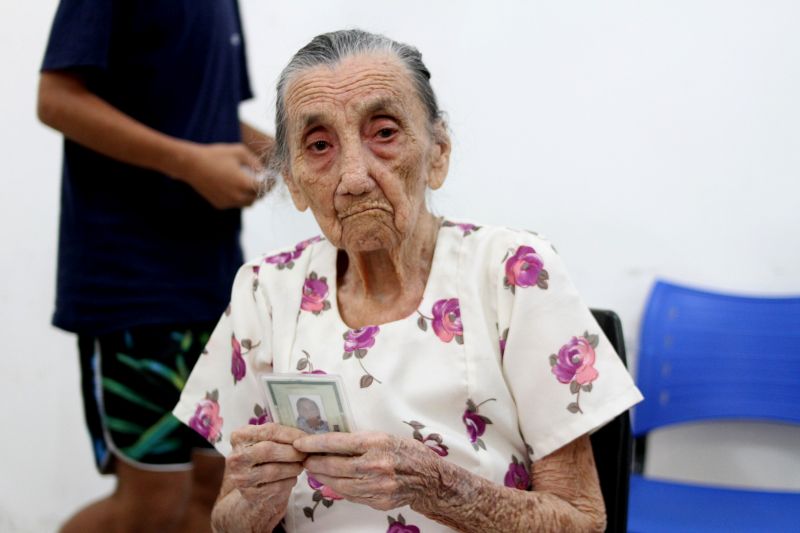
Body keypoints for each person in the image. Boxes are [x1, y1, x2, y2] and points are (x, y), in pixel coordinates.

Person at [173, 30, 643, 532]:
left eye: (385, 133)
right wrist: (258, 498)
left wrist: (436, 487)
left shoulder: (515, 272)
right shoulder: (265, 291)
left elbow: (583, 520)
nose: (354, 177)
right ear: (293, 182)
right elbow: (226, 521)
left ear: (438, 152)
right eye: (319, 145)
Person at [36, 1, 272, 531]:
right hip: (129, 288)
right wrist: (189, 164)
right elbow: (56, 99)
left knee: (215, 495)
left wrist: (292, 155)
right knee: (153, 504)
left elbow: (208, 119)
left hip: (213, 288)